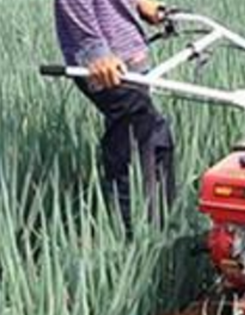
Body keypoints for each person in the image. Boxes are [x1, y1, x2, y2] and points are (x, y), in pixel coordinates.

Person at [54, 0, 176, 227]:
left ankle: (163, 226)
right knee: (135, 151)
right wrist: (94, 51)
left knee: (155, 139)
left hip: (129, 58)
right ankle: (135, 240)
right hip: (107, 68)